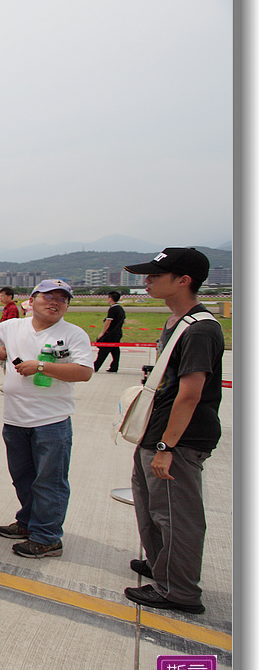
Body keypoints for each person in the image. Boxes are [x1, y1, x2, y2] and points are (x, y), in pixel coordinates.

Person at [121, 248, 223, 615]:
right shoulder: (177, 323)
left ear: (184, 280)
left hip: (177, 439)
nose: (147, 280)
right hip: (156, 432)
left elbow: (191, 393)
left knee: (177, 515)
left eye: (155, 275)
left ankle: (178, 589)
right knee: (151, 507)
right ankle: (160, 564)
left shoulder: (200, 329)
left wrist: (167, 445)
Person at [0, 279, 93, 559]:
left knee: (50, 481)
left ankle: (47, 537)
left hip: (51, 421)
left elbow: (84, 371)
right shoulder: (13, 326)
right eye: (48, 297)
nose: (55, 303)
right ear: (31, 300)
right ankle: (28, 522)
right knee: (23, 477)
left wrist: (41, 366)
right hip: (15, 419)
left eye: (62, 299)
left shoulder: (74, 334)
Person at [93, 291, 126, 373]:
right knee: (115, 350)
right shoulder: (121, 309)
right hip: (118, 332)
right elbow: (124, 321)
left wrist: (102, 332)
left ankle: (95, 366)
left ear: (110, 298)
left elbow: (108, 321)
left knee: (103, 350)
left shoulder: (113, 309)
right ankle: (114, 367)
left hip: (111, 333)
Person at [0, 287, 20, 390]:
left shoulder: (12, 308)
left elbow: (9, 325)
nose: (0, 298)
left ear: (10, 297)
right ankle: (6, 382)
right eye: (0, 296)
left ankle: (8, 384)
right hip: (4, 338)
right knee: (4, 362)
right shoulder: (7, 308)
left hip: (7, 339)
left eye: (3, 296)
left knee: (6, 362)